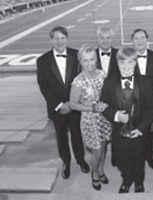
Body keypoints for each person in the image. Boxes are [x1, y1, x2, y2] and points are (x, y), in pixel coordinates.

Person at [100, 47, 153, 193]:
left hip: (138, 131)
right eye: (122, 63)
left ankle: (139, 182)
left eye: (130, 63)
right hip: (119, 131)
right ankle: (127, 180)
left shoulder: (146, 83)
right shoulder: (109, 82)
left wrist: (141, 129)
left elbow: (151, 110)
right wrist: (115, 115)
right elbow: (103, 105)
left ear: (136, 63)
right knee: (122, 159)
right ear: (117, 63)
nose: (126, 67)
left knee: (138, 158)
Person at [36, 26, 90, 180]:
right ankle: (66, 162)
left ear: (67, 38)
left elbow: (83, 79)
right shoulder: (42, 60)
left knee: (77, 135)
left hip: (74, 105)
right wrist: (60, 105)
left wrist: (72, 103)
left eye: (62, 38)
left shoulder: (76, 55)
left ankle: (80, 160)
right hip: (57, 108)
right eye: (56, 38)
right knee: (61, 137)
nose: (59, 41)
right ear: (51, 40)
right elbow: (43, 86)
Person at [69, 45, 112, 190]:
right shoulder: (78, 81)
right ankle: (94, 173)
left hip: (105, 117)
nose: (89, 63)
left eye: (92, 59)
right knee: (97, 150)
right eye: (85, 60)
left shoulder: (102, 74)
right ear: (80, 61)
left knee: (104, 146)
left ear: (96, 60)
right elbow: (73, 105)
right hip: (89, 119)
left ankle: (101, 170)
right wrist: (92, 108)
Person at [131, 28, 153, 170]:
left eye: (142, 37)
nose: (139, 41)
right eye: (136, 38)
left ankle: (149, 156)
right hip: (133, 101)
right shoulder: (127, 57)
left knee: (150, 130)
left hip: (152, 101)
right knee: (134, 130)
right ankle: (136, 157)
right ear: (132, 41)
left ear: (147, 39)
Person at [95, 26, 119, 167]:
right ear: (98, 39)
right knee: (100, 139)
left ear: (112, 39)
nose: (105, 41)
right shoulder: (91, 55)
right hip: (96, 103)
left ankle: (116, 159)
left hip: (115, 102)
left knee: (116, 133)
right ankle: (100, 168)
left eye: (108, 37)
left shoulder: (119, 54)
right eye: (102, 38)